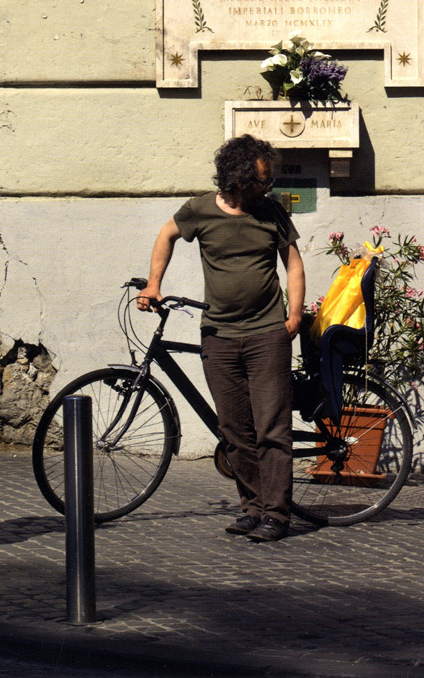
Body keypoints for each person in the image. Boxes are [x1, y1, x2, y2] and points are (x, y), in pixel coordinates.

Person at [139, 134, 305, 542]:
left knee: (271, 429)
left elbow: (294, 265)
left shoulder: (272, 212)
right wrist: (153, 284)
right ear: (235, 178)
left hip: (267, 333)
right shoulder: (198, 211)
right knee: (234, 431)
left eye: (269, 181)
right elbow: (166, 235)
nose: (267, 188)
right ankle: (253, 507)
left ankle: (277, 514)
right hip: (220, 336)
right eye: (260, 181)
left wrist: (294, 316)